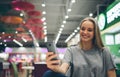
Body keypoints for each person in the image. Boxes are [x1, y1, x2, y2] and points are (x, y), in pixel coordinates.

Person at [45, 17, 116, 77]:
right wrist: (56, 68)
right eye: (83, 29)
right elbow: (63, 69)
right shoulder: (71, 50)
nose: (85, 32)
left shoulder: (104, 52)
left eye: (89, 30)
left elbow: (111, 74)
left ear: (95, 33)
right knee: (48, 74)